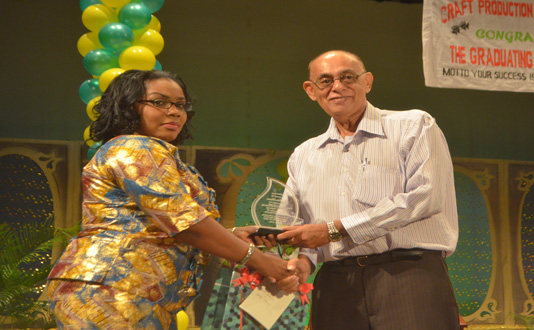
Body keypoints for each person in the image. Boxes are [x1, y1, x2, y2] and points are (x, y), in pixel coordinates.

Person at [46, 70, 293, 329]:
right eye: (159, 102)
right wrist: (260, 260)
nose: (174, 111)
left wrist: (232, 236)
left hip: (132, 290)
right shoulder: (136, 148)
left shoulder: (152, 152)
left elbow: (160, 226)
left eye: (180, 105)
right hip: (113, 287)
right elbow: (186, 223)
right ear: (129, 107)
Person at [275, 50, 461, 329]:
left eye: (347, 77)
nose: (337, 87)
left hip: (409, 276)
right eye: (325, 81)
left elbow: (425, 196)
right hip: (336, 285)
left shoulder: (413, 125)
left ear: (368, 82)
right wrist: (301, 262)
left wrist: (335, 229)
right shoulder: (303, 155)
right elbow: (297, 227)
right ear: (311, 91)